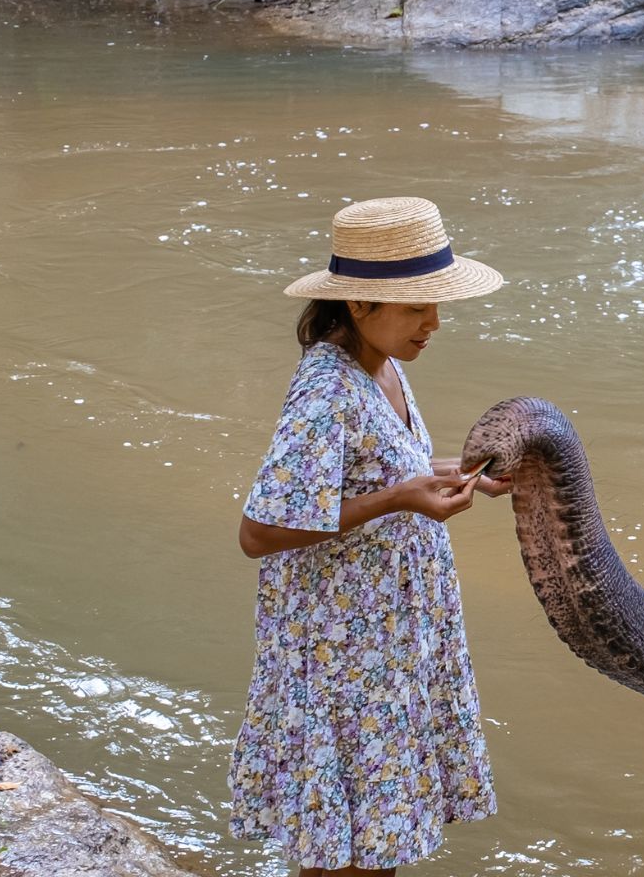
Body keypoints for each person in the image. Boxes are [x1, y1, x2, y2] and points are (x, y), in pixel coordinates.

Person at [228, 196, 507, 876]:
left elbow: (381, 470)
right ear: (359, 305)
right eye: (417, 306)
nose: (434, 323)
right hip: (342, 659)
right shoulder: (326, 390)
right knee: (349, 851)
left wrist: (462, 472)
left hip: (384, 647)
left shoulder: (382, 365)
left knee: (374, 839)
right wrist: (400, 499)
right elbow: (259, 531)